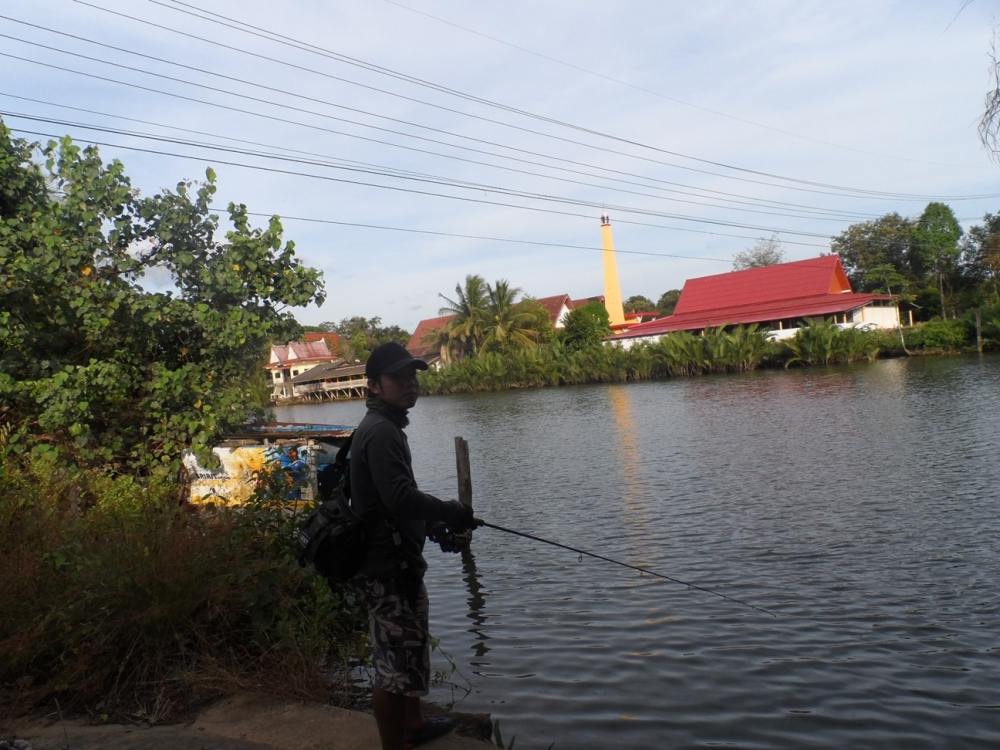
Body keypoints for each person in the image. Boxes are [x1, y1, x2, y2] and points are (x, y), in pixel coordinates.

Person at [351, 342, 477, 750]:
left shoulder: (385, 426)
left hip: (398, 561)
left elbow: (396, 501)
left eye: (413, 377)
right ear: (373, 386)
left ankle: (414, 723)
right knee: (392, 667)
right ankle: (395, 743)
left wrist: (433, 523)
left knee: (410, 645)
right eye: (399, 379)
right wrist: (452, 511)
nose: (410, 385)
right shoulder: (382, 431)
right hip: (385, 567)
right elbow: (400, 498)